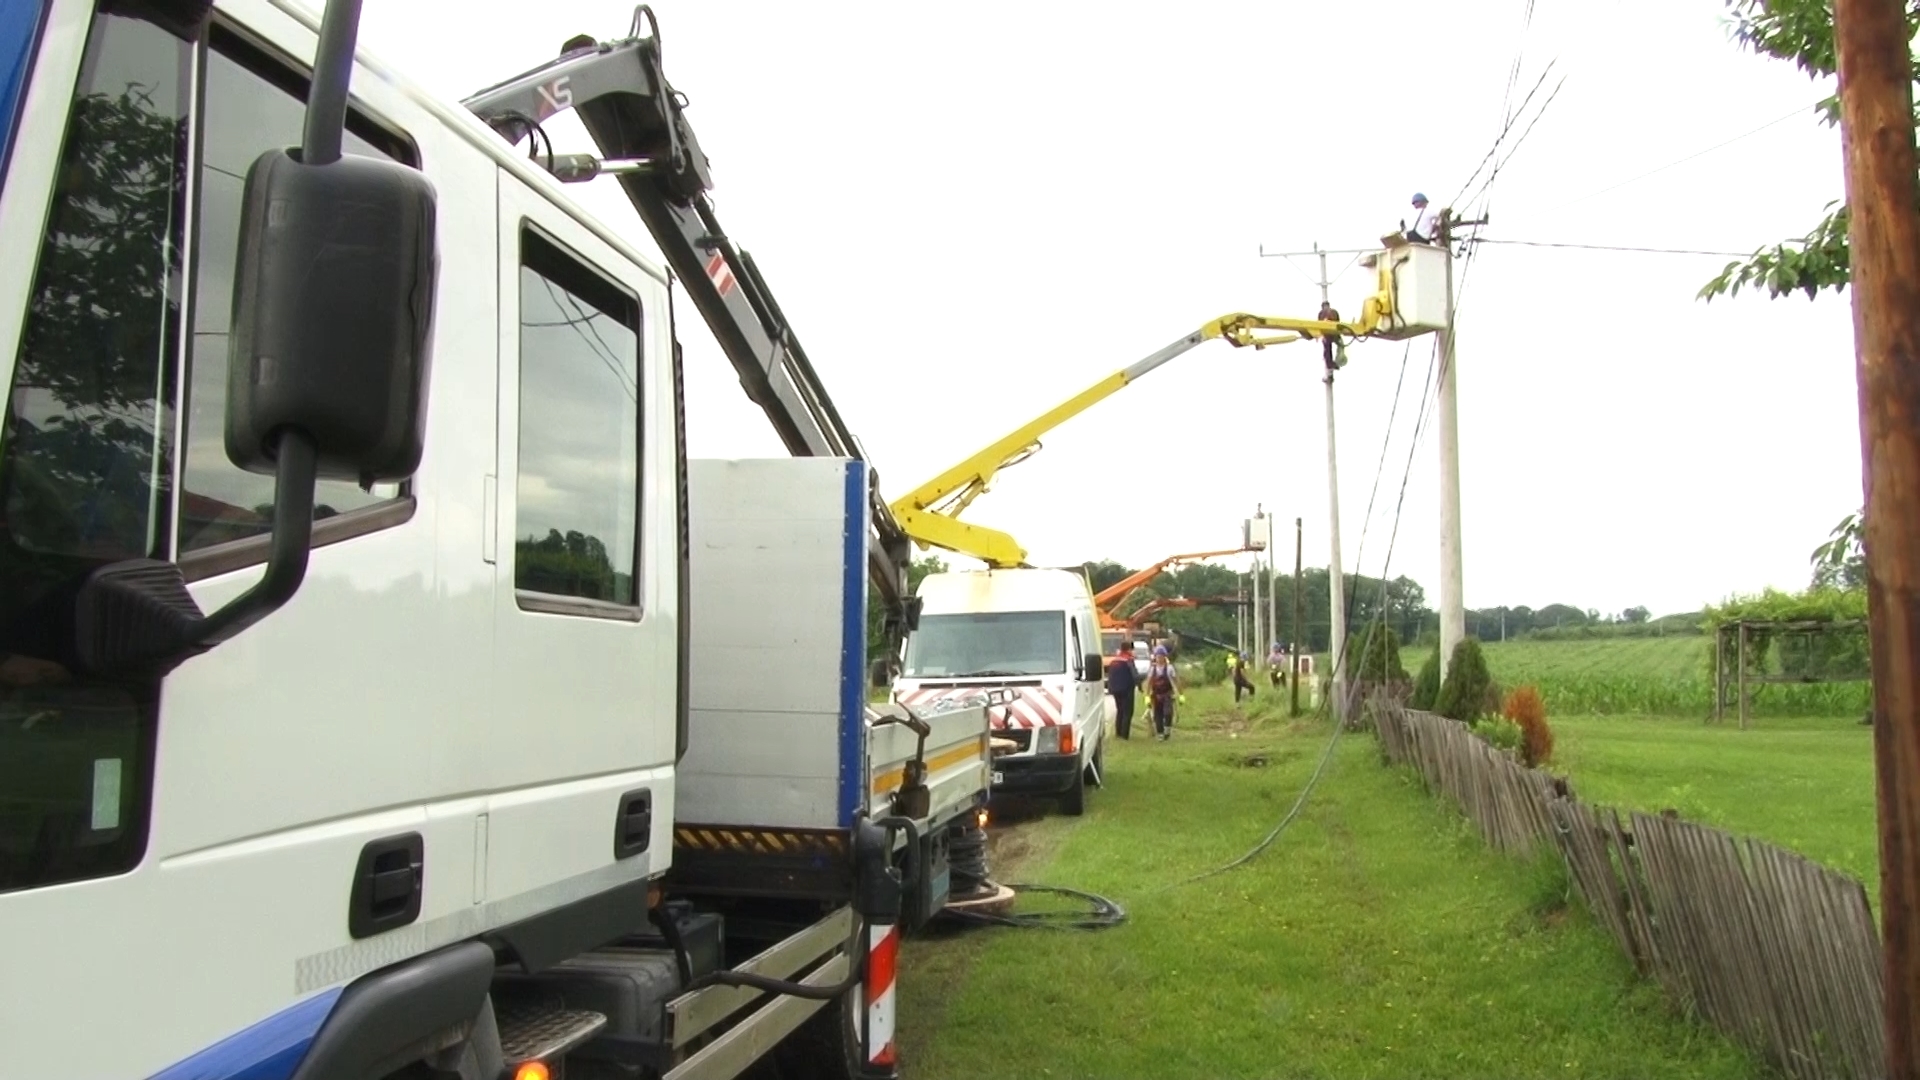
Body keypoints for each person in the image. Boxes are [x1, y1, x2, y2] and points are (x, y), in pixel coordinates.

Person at [1105, 640, 1141, 740]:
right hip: (1127, 689)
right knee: (1127, 712)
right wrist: (1140, 685)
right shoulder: (1128, 660)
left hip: (1115, 690)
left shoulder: (1114, 660)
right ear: (1129, 649)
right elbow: (1134, 675)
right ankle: (1125, 735)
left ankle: (1118, 733)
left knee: (1120, 710)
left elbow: (1110, 676)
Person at [1145, 645, 1180, 740]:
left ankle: (1167, 730)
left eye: (1161, 656)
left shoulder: (1169, 668)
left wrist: (1180, 694)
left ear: (1164, 657)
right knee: (1158, 715)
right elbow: (1149, 682)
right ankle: (1160, 733)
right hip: (1156, 695)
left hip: (1167, 694)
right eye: (1158, 656)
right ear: (1155, 657)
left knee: (1168, 713)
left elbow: (1176, 681)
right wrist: (1147, 696)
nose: (1159, 659)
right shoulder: (1152, 669)